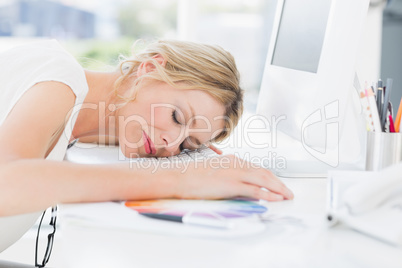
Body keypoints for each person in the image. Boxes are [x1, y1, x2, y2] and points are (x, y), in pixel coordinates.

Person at [0, 39, 294, 253]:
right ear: (150, 68)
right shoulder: (58, 79)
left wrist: (197, 161)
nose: (171, 143)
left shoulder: (85, 124)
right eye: (177, 117)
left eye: (188, 144)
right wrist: (184, 179)